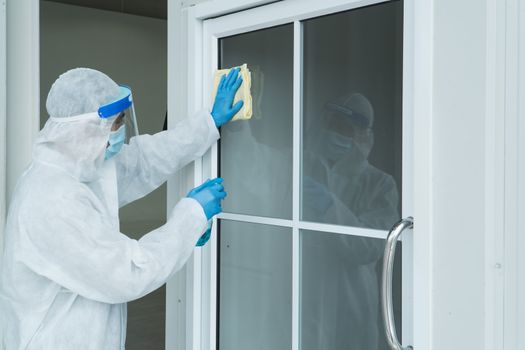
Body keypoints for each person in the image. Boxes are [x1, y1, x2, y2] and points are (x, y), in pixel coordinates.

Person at [0, 67, 244, 349]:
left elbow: (144, 161)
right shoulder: (51, 199)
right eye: (118, 122)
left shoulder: (81, 167)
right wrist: (190, 217)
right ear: (89, 129)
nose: (121, 130)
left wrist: (208, 123)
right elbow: (127, 273)